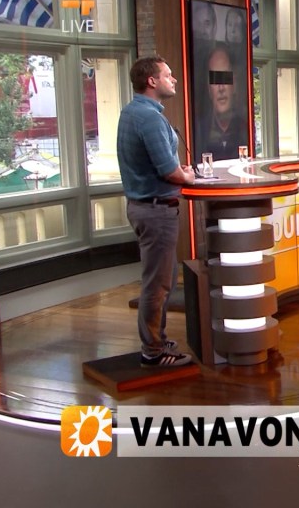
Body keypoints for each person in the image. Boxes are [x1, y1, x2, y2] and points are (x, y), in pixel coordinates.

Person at [116, 56, 196, 368]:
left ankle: (157, 341)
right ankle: (153, 351)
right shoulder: (149, 118)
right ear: (152, 81)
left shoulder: (132, 111)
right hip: (155, 210)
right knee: (158, 285)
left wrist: (177, 170)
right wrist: (187, 176)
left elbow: (160, 164)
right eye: (168, 75)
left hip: (145, 208)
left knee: (162, 280)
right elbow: (168, 171)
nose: (173, 79)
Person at [198, 43, 248, 161]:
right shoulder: (198, 131)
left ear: (234, 85)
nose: (221, 88)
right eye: (215, 79)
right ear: (209, 88)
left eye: (226, 78)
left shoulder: (246, 128)